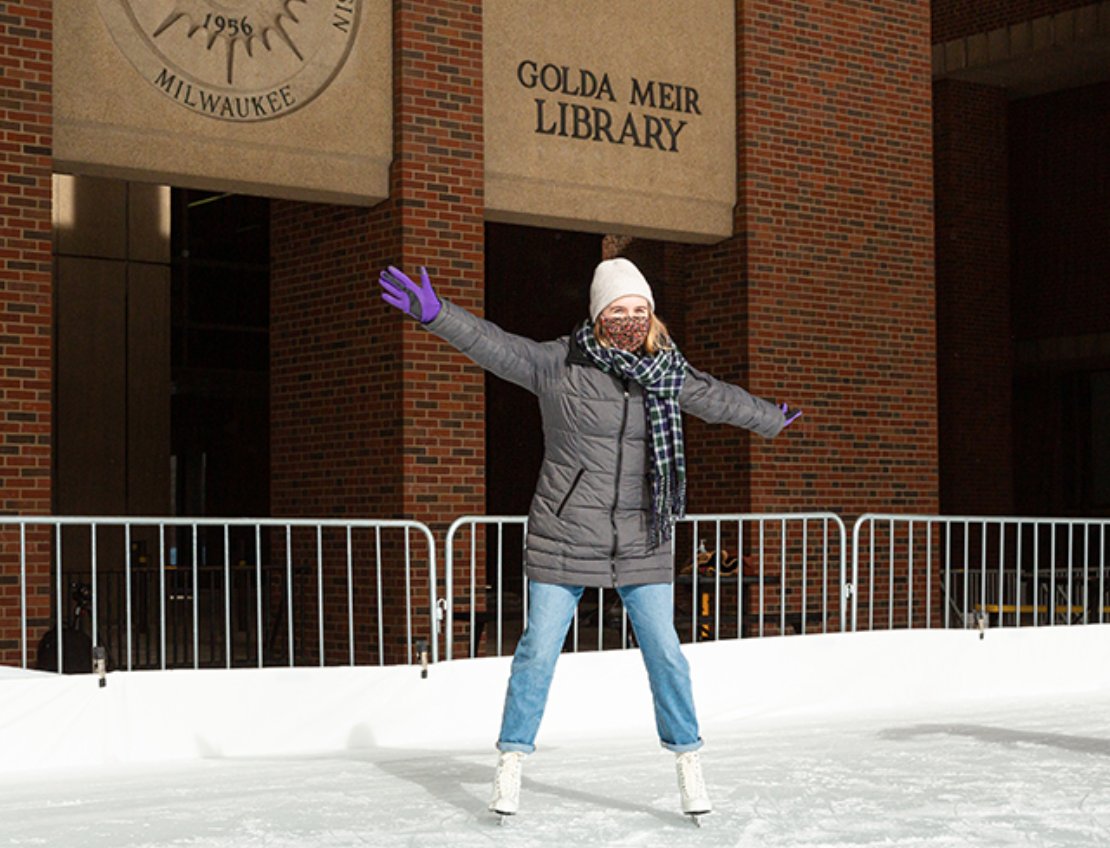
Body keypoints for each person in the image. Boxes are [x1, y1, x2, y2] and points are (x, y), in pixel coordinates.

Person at [379, 258, 801, 820]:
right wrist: (438, 316)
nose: (629, 319)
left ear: (650, 316)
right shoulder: (559, 364)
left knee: (667, 657)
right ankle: (510, 762)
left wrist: (769, 418)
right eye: (618, 310)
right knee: (536, 653)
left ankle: (687, 760)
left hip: (642, 536)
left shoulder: (665, 372)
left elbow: (717, 398)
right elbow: (496, 347)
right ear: (599, 315)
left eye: (638, 310)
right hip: (564, 531)